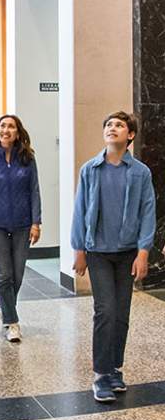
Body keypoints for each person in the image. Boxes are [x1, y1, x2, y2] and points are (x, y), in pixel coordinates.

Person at [71, 111, 155, 402]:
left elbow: (148, 213)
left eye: (119, 125)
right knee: (105, 310)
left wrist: (143, 252)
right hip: (97, 253)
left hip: (128, 252)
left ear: (130, 135)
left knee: (121, 315)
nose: (112, 128)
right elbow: (80, 210)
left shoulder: (141, 172)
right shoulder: (90, 169)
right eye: (108, 125)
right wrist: (79, 249)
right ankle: (101, 374)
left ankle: (116, 368)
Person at [0, 114, 41, 342]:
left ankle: (4, 306)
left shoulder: (27, 159)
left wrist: (36, 222)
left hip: (23, 224)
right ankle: (12, 322)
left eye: (11, 126)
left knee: (17, 274)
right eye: (3, 126)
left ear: (17, 132)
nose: (6, 130)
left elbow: (34, 191)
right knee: (4, 275)